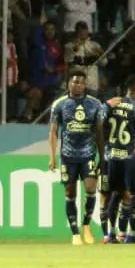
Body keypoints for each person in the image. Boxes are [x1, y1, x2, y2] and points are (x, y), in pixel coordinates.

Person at [48, 69, 106, 245]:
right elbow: (53, 132)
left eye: (81, 82)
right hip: (68, 156)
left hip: (88, 154)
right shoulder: (59, 104)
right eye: (74, 82)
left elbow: (99, 132)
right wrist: (52, 157)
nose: (77, 85)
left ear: (85, 84)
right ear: (68, 84)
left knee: (90, 188)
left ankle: (86, 224)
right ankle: (75, 233)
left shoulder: (95, 104)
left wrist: (102, 157)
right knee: (69, 192)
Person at [101, 75, 135, 244]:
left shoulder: (113, 103)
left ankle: (111, 234)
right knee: (134, 195)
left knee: (115, 194)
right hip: (130, 157)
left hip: (111, 155)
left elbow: (98, 122)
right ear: (134, 87)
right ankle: (127, 235)